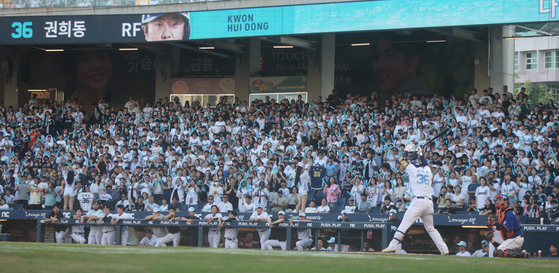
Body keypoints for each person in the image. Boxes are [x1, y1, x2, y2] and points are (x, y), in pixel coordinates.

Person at [383, 143, 449, 255]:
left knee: (405, 223)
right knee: (431, 229)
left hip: (418, 202)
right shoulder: (428, 171)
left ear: (413, 166)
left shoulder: (412, 170)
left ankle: (392, 245)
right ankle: (444, 249)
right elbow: (425, 163)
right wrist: (421, 154)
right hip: (429, 203)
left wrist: (407, 150)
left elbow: (401, 159)